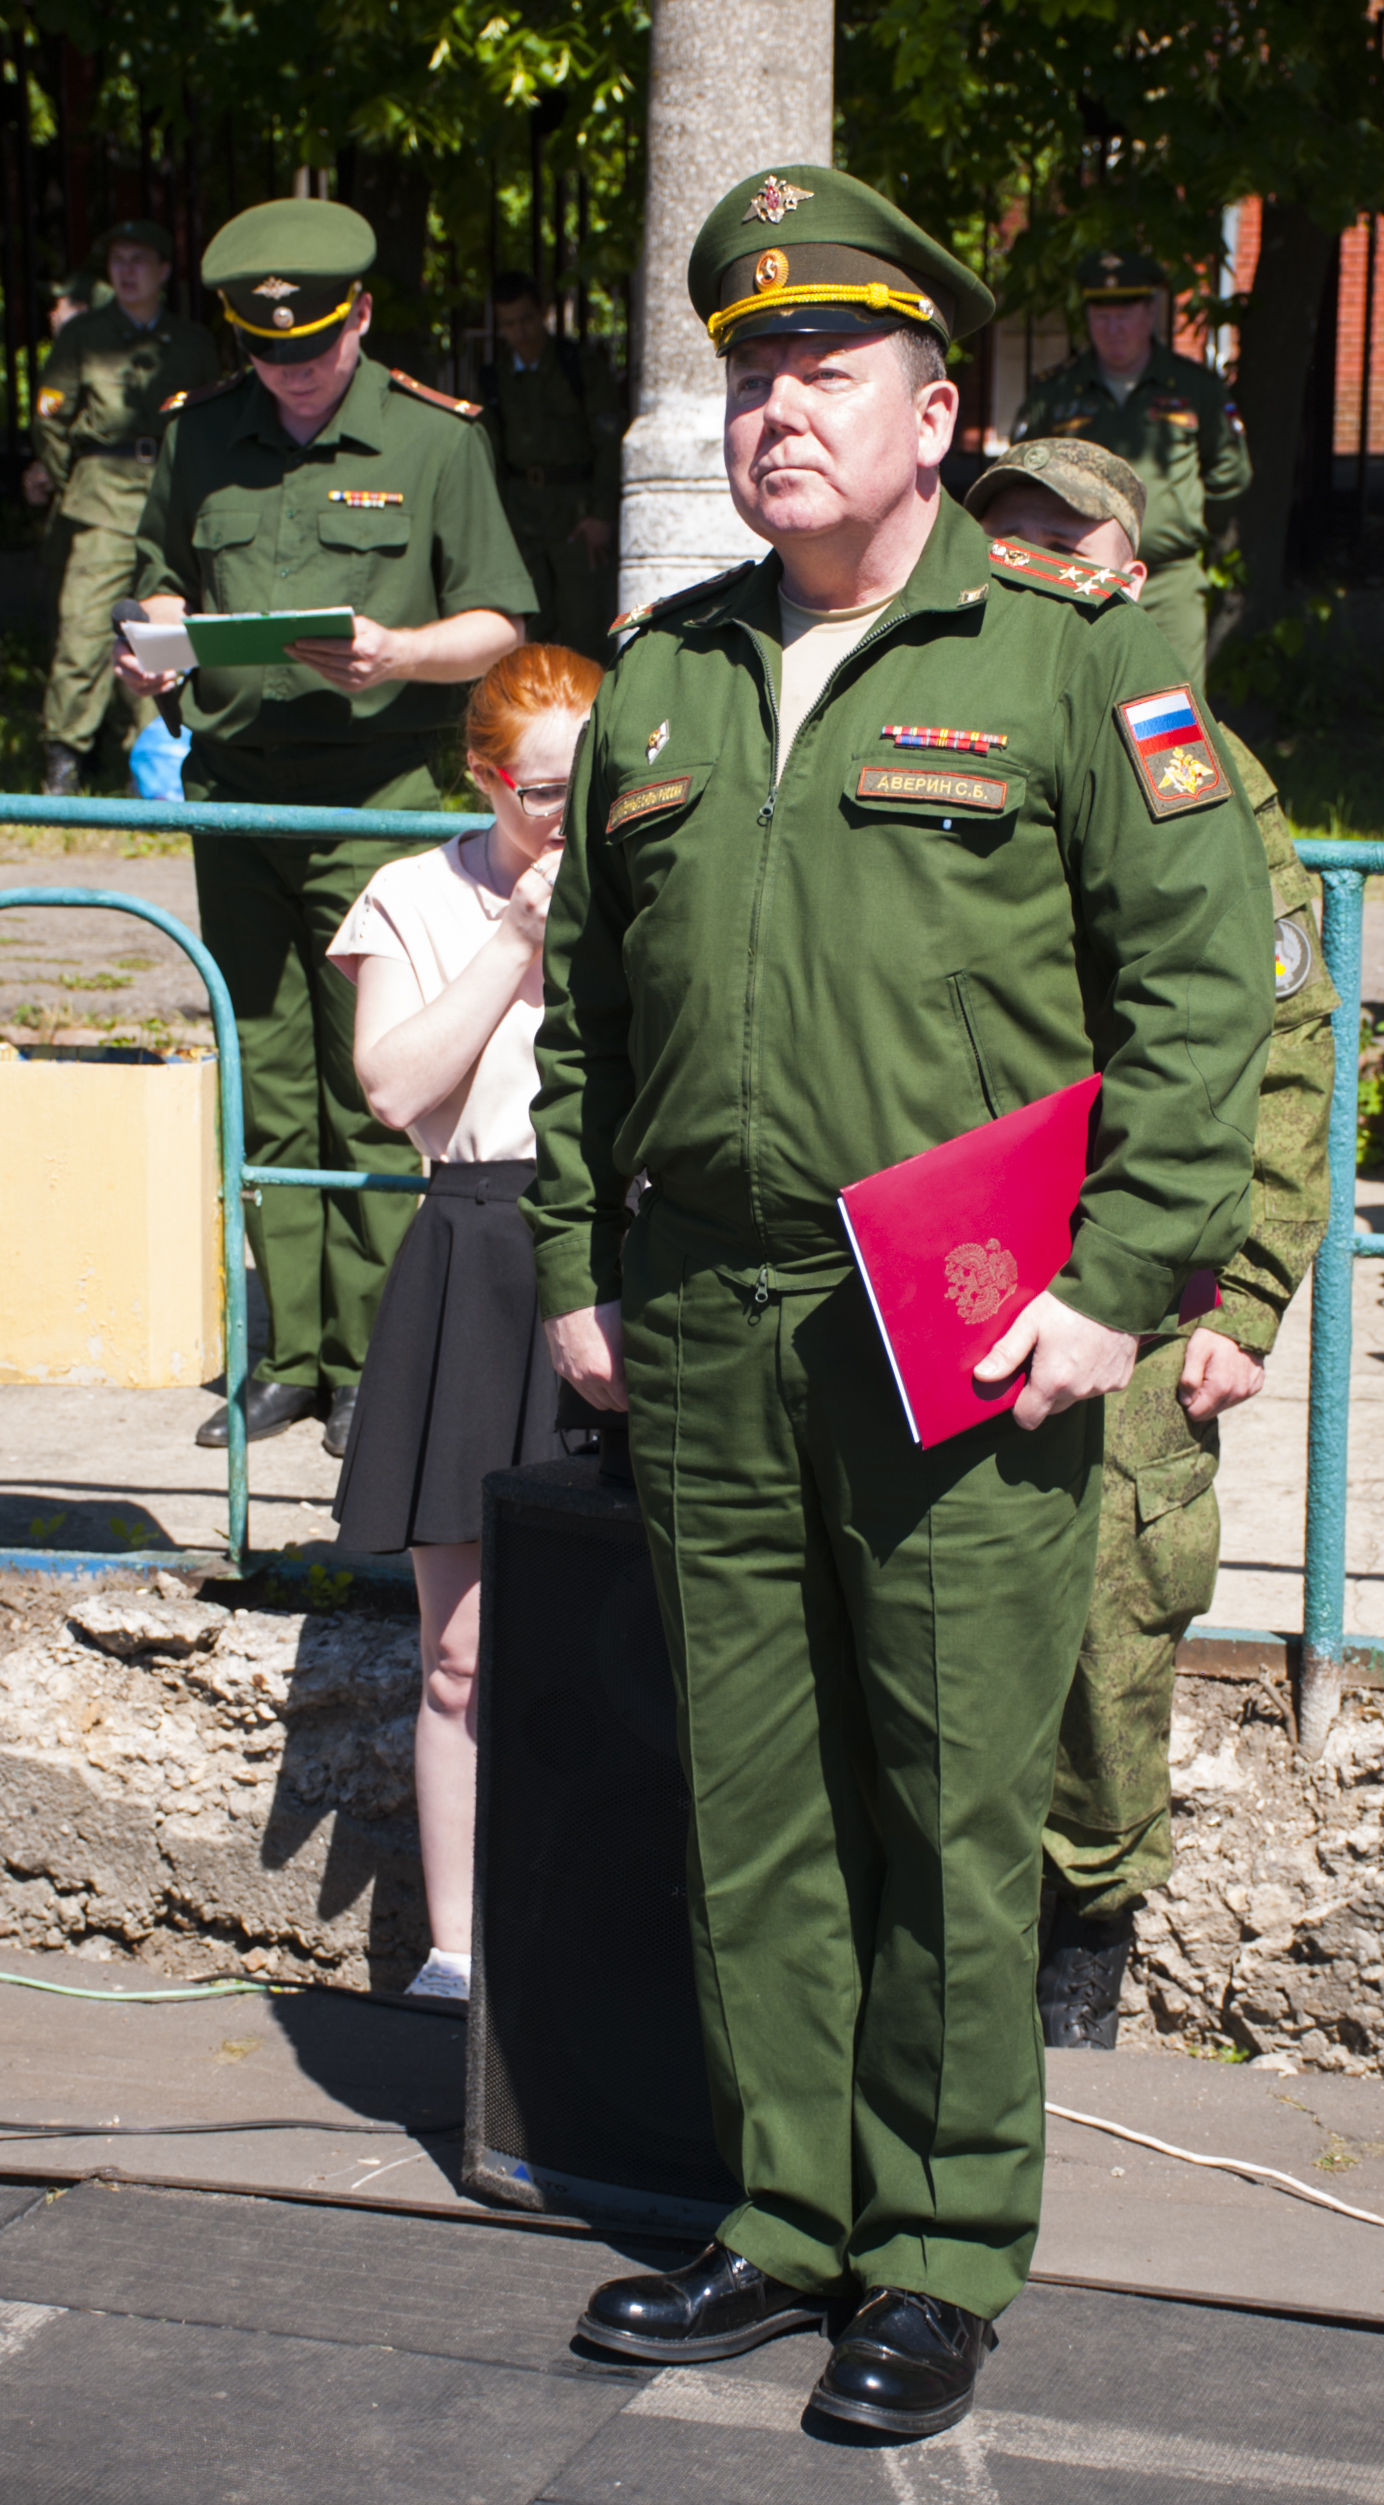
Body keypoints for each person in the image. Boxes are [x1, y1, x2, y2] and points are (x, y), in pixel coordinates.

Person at [523, 165, 1273, 2436]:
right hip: (710, 1315)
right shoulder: (669, 674)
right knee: (749, 1789)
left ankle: (935, 2251)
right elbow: (584, 1016)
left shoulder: (1070, 664)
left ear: (935, 415)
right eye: (750, 370)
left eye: (825, 369)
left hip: (965, 1316)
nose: (778, 407)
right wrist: (574, 1262)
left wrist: (1122, 1281)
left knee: (948, 1800)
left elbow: (1200, 999)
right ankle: (782, 2212)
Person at [967, 438, 1337, 2048]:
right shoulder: (937, 723)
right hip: (959, 1258)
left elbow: (1280, 1043)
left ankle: (1086, 1942)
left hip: (1141, 1273)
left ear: (1128, 574)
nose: (1033, 568)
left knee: (1105, 1625)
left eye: (1067, 545)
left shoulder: (1188, 761)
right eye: (1006, 540)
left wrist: (1245, 1293)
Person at [115, 197, 536, 1459]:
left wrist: (401, 652)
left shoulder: (434, 437)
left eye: (310, 348)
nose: (290, 372)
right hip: (237, 793)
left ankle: (369, 1360)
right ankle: (287, 1356)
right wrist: (156, 641)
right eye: (265, 351)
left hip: (377, 800)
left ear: (358, 316)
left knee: (371, 1088)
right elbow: (160, 575)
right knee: (264, 1071)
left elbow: (500, 620)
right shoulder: (200, 434)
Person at [326, 641, 600, 2001]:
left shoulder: (649, 874)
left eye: (589, 786)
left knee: (618, 1635)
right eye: (544, 792)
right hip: (478, 1244)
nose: (567, 815)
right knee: (461, 1649)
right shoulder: (414, 896)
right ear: (485, 779)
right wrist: (518, 942)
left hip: (620, 1244)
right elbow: (394, 1091)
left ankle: (604, 1946)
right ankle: (455, 1952)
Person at [31, 219, 220, 795]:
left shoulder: (192, 342)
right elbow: (50, 420)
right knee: (84, 628)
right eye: (118, 259)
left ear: (164, 270)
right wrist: (73, 482)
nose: (127, 270)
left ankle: (160, 756)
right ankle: (64, 759)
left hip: (171, 493)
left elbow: (213, 416)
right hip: (102, 499)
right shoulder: (85, 335)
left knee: (165, 627)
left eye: (140, 259)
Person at [1011, 248, 1252, 686]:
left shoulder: (1195, 388)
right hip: (1075, 576)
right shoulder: (1056, 393)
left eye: (1124, 314)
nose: (1113, 328)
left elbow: (1230, 475)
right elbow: (1023, 480)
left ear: (1150, 312)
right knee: (1075, 696)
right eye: (1101, 316)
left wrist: (1182, 524)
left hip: (1168, 582)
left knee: (1174, 709)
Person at [480, 270, 623, 661]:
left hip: (575, 515)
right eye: (509, 323)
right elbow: (489, 457)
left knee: (585, 633)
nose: (520, 331)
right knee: (526, 632)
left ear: (542, 312)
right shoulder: (494, 378)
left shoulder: (578, 366)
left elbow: (608, 445)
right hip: (521, 516)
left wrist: (601, 515)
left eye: (526, 319)